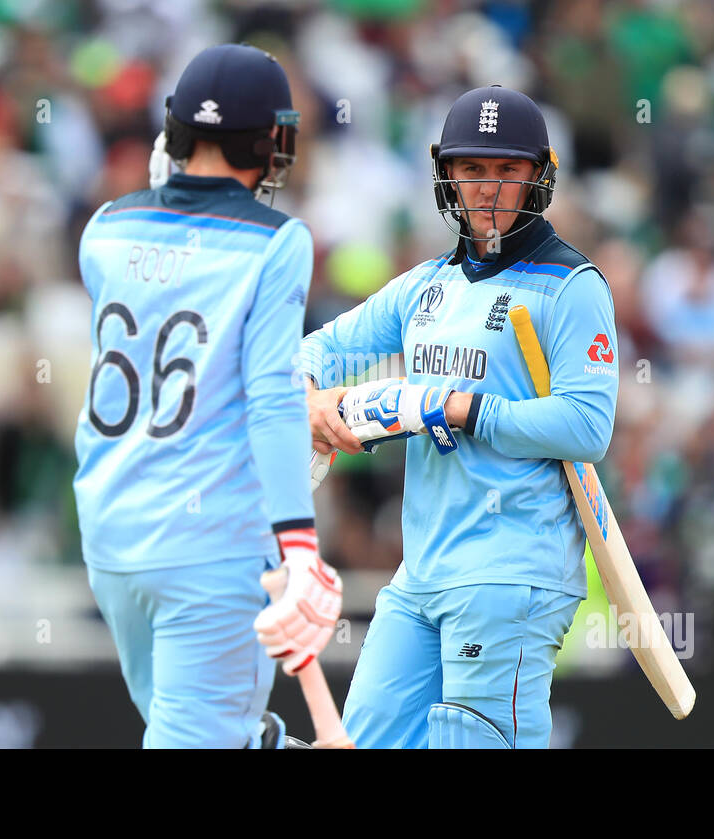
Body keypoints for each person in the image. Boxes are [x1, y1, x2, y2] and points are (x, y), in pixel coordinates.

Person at [296, 86, 618, 748]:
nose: (489, 187)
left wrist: (461, 407)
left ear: (541, 174)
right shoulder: (426, 286)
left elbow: (588, 425)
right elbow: (322, 348)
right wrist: (310, 397)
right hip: (422, 572)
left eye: (508, 169)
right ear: (447, 173)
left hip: (511, 570)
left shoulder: (572, 285)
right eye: (473, 168)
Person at [73, 44, 342, 749]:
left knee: (212, 734)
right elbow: (272, 398)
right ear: (270, 140)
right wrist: (300, 545)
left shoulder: (103, 227)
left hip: (111, 537)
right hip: (207, 546)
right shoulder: (278, 240)